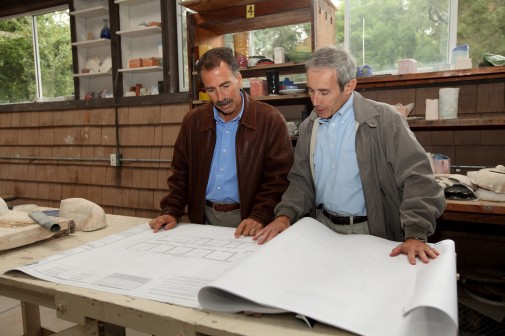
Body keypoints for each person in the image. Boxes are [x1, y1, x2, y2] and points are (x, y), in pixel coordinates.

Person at [255, 46, 446, 265]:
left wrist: (414, 233)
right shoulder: (310, 126)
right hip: (321, 228)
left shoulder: (384, 121)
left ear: (349, 86)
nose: (315, 101)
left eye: (324, 92)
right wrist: (285, 215)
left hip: (369, 231)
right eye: (310, 90)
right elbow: (301, 181)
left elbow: (418, 179)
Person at [149, 47, 293, 237]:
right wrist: (171, 211)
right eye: (211, 90)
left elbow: (278, 180)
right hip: (202, 217)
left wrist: (259, 215)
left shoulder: (271, 120)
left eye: (225, 86)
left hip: (251, 220)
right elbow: (180, 175)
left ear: (239, 79)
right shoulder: (193, 122)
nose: (220, 98)